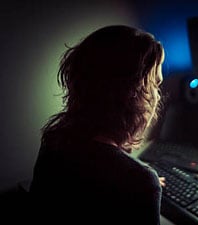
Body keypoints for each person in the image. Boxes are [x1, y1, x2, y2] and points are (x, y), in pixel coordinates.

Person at [29, 25, 166, 222]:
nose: (156, 95)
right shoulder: (140, 181)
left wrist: (139, 180)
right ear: (132, 95)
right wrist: (142, 183)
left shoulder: (54, 140)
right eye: (155, 84)